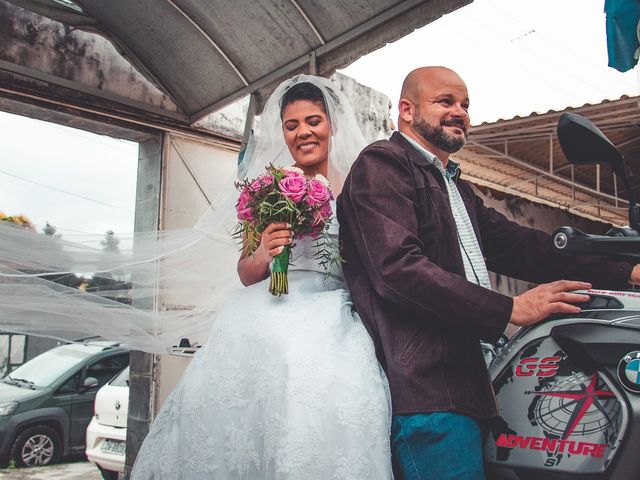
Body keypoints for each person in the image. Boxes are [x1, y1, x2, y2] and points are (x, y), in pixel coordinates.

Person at [337, 66, 640, 480]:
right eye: (445, 102)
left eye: (465, 105)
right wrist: (510, 307)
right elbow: (397, 270)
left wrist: (627, 272)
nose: (459, 112)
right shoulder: (383, 165)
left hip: (472, 381)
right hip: (427, 389)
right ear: (406, 111)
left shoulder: (453, 185)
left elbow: (522, 246)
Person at [129, 76, 393, 479]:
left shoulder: (358, 187)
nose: (303, 132)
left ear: (332, 125)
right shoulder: (268, 188)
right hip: (269, 303)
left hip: (332, 309)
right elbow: (246, 273)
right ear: (283, 132)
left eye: (313, 121)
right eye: (292, 125)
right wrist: (265, 249)